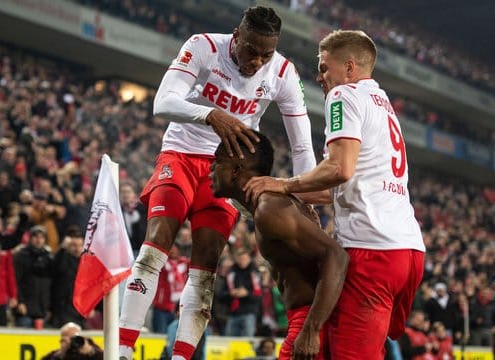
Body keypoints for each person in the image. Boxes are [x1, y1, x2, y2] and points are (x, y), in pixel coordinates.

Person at [119, 6, 316, 359]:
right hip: (180, 153)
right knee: (155, 244)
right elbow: (162, 102)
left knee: (206, 266)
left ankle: (181, 356)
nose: (257, 61)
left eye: (265, 54)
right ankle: (122, 350)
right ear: (236, 36)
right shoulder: (204, 46)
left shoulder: (284, 72)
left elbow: (302, 146)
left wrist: (306, 199)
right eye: (250, 50)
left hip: (227, 172)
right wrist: (210, 114)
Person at [242, 30, 426, 359]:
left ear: (350, 68)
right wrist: (289, 192)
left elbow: (339, 168)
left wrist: (284, 185)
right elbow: (342, 185)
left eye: (325, 68)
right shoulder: (382, 104)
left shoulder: (344, 96)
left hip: (373, 250)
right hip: (408, 251)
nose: (320, 76)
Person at [209, 131, 348, 359]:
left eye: (217, 162)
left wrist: (311, 330)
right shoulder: (266, 205)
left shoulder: (269, 208)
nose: (210, 169)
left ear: (236, 171)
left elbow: (336, 256)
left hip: (310, 319)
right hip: (309, 317)